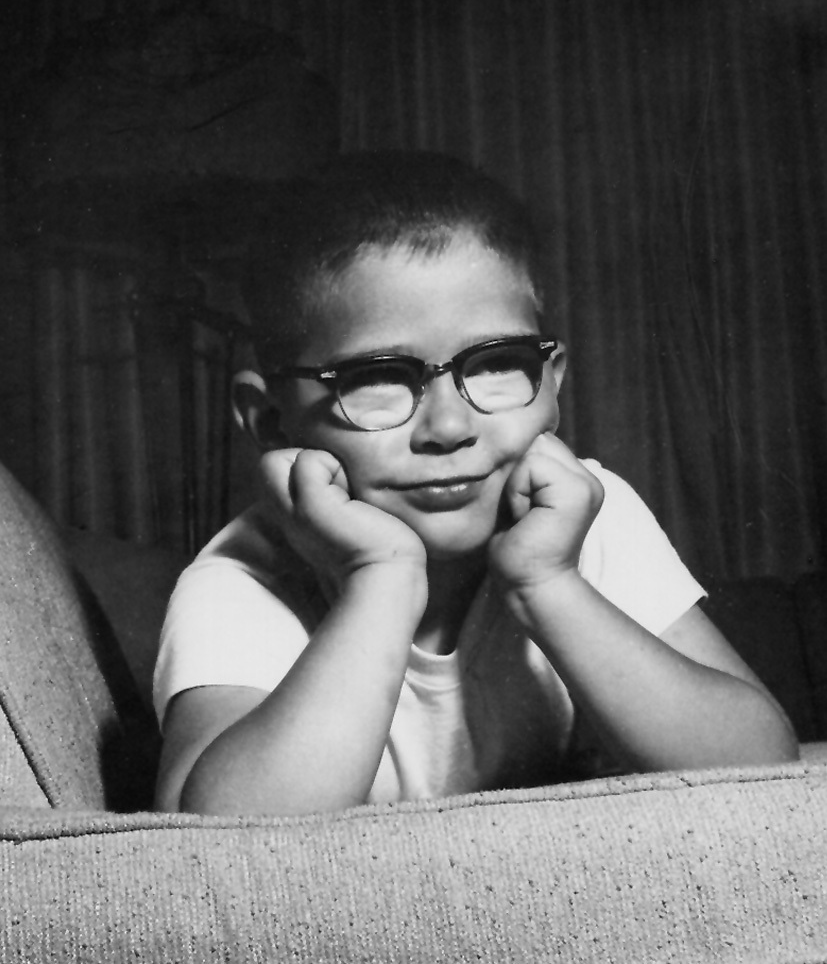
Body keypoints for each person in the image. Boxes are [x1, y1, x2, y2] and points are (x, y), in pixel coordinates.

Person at [152, 152, 798, 816]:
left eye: (496, 363)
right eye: (377, 377)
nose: (450, 427)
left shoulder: (586, 515)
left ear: (551, 385)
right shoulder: (242, 579)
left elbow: (762, 769)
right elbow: (215, 839)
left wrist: (547, 583)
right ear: (268, 418)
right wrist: (380, 577)